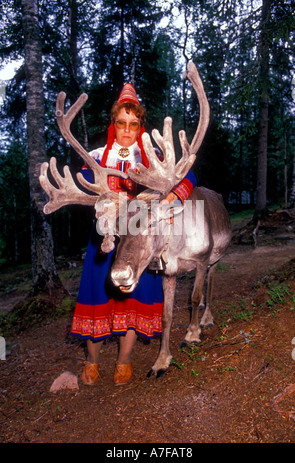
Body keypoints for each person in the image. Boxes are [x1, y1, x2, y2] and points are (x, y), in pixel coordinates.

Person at [70, 83, 197, 386]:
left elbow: (189, 175)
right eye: (121, 123)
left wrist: (171, 197)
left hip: (141, 232)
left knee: (134, 296)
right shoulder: (98, 157)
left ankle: (124, 361)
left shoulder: (152, 155)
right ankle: (92, 360)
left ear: (140, 125)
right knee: (97, 295)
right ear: (113, 124)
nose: (127, 130)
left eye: (133, 124)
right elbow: (82, 185)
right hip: (105, 233)